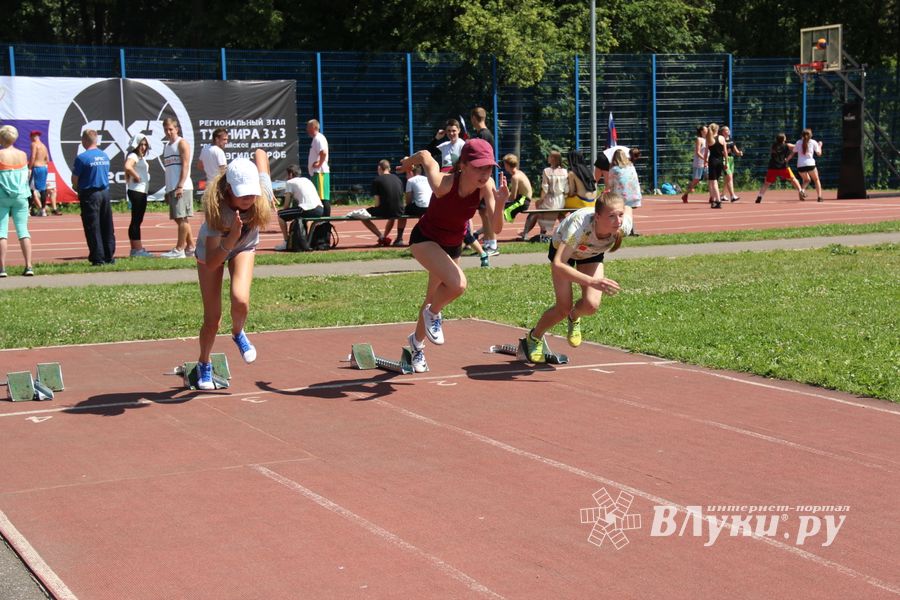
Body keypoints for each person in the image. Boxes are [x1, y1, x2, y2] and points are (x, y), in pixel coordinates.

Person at [397, 138, 509, 372]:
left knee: (432, 298)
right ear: (463, 165)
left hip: (453, 245)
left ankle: (416, 344)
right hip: (425, 239)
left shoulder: (486, 186)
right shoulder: (444, 183)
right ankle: (433, 314)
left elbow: (497, 228)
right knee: (458, 285)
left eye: (489, 168)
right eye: (479, 167)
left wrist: (500, 205)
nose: (484, 173)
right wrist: (408, 162)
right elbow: (426, 156)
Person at [193, 150, 273, 390]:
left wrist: (262, 169)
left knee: (241, 299)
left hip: (243, 247)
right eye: (242, 193)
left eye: (252, 192)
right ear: (229, 189)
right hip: (213, 252)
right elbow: (212, 262)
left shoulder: (259, 195)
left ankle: (238, 333)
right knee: (213, 318)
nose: (249, 197)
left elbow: (261, 154)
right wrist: (231, 238)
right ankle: (203, 363)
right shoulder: (216, 211)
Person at [523, 193, 629, 363]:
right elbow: (559, 264)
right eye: (611, 216)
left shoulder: (624, 225)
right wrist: (592, 281)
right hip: (564, 254)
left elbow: (628, 208)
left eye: (620, 215)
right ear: (597, 216)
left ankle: (574, 316)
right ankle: (534, 337)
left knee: (591, 305)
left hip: (591, 254)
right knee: (562, 308)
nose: (618, 221)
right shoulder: (579, 227)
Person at [72, 129, 115, 266]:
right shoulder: (104, 156)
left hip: (90, 194)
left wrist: (77, 188)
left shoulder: (82, 158)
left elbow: (75, 179)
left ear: (84, 140)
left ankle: (98, 257)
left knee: (93, 226)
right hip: (105, 193)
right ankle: (109, 255)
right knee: (107, 224)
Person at [0, 125, 35, 277]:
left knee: (1, 232)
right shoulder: (22, 154)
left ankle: (2, 268)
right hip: (21, 196)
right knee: (23, 231)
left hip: (2, 196)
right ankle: (28, 266)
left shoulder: (0, 154)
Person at [160, 117, 195, 259]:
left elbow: (186, 165)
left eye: (171, 129)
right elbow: (170, 170)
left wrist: (180, 185)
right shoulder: (168, 146)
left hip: (182, 187)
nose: (168, 132)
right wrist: (168, 189)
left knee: (181, 218)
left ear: (176, 129)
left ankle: (179, 249)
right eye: (166, 130)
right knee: (179, 218)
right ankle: (191, 247)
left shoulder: (182, 143)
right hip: (172, 187)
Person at [519, 150, 567, 241]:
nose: (547, 158)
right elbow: (566, 189)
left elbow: (545, 189)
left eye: (549, 156)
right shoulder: (565, 171)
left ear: (553, 159)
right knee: (559, 214)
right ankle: (565, 232)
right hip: (561, 200)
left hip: (551, 199)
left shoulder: (547, 171)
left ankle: (525, 233)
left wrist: (541, 200)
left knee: (535, 212)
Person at [469, 107, 498, 255]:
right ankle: (488, 243)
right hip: (484, 176)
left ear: (474, 118)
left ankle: (492, 245)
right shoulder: (484, 134)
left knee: (486, 212)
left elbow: (482, 157)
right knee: (483, 212)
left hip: (484, 177)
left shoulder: (483, 135)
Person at [275, 163, 323, 251]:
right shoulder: (307, 180)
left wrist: (283, 210)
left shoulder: (290, 182)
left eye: (287, 175)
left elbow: (286, 205)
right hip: (319, 209)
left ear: (290, 174)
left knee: (280, 215)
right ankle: (304, 241)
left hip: (307, 208)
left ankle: (286, 242)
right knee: (301, 217)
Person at [361, 159, 405, 246]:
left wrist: (377, 209)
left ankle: (381, 237)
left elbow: (377, 202)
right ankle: (385, 236)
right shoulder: (398, 179)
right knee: (392, 215)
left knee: (362, 216)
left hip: (385, 210)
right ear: (389, 168)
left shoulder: (377, 180)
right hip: (399, 209)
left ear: (379, 168)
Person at [123, 133, 153, 257]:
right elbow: (127, 166)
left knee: (136, 220)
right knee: (136, 221)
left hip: (140, 191)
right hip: (137, 191)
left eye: (145, 145)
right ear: (136, 145)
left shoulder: (140, 157)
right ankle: (138, 250)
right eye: (141, 144)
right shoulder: (133, 155)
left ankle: (135, 249)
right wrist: (136, 176)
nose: (143, 147)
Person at [755, 133, 803, 204]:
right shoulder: (787, 145)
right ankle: (801, 191)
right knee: (793, 179)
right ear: (784, 139)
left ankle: (760, 196)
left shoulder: (773, 146)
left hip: (772, 167)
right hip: (783, 166)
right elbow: (797, 147)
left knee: (766, 183)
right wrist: (804, 142)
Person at [606, 149, 642, 235]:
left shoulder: (614, 169)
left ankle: (624, 229)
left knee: (618, 211)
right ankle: (631, 230)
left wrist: (607, 191)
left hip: (622, 196)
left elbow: (610, 184)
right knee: (628, 210)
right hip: (634, 194)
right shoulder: (631, 167)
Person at [395, 164, 432, 246]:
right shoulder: (427, 179)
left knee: (402, 213)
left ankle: (399, 239)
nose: (406, 176)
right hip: (430, 207)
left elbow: (408, 201)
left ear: (411, 172)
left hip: (420, 207)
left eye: (407, 173)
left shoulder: (410, 180)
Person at [790, 128, 824, 202]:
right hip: (810, 164)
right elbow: (819, 154)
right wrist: (820, 145)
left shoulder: (798, 142)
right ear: (811, 135)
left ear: (802, 135)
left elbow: (794, 151)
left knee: (806, 180)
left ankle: (802, 191)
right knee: (816, 180)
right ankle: (819, 197)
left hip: (800, 165)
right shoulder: (813, 142)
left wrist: (787, 159)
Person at [29, 131, 58, 216]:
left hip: (36, 168)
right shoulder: (44, 146)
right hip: (44, 168)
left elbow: (33, 156)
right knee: (43, 189)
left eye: (31, 136)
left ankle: (28, 210)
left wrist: (29, 167)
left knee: (30, 189)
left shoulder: (34, 144)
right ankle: (43, 210)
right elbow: (47, 159)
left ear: (33, 136)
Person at [307, 119, 331, 216]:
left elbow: (323, 152)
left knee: (323, 198)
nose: (307, 129)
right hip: (316, 173)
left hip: (320, 173)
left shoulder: (318, 138)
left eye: (308, 127)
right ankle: (322, 220)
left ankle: (326, 221)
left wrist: (319, 164)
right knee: (319, 198)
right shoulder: (316, 139)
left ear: (314, 127)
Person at [501, 154, 532, 223]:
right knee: (503, 208)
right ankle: (507, 222)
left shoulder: (515, 177)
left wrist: (503, 200)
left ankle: (507, 225)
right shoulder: (519, 173)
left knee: (504, 210)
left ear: (507, 165)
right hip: (523, 199)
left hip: (523, 201)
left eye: (504, 164)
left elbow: (513, 197)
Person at [681, 125, 708, 203]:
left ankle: (712, 197)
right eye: (706, 129)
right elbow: (698, 152)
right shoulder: (699, 139)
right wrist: (705, 159)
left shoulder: (708, 139)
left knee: (711, 179)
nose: (707, 130)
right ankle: (685, 194)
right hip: (699, 163)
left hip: (707, 163)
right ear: (702, 131)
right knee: (696, 180)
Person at [706, 123, 728, 209]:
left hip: (712, 161)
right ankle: (713, 200)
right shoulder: (722, 138)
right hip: (720, 162)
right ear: (717, 129)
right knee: (715, 181)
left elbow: (706, 153)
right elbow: (725, 152)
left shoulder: (709, 139)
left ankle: (718, 201)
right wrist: (726, 163)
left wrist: (705, 162)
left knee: (713, 182)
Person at [721, 126, 743, 203]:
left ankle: (722, 195)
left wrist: (739, 153)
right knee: (729, 177)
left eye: (728, 130)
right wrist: (724, 153)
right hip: (724, 159)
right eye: (726, 130)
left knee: (728, 178)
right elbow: (719, 151)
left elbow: (736, 151)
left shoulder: (731, 140)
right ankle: (732, 196)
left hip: (731, 159)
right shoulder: (721, 140)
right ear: (723, 132)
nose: (728, 131)